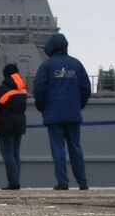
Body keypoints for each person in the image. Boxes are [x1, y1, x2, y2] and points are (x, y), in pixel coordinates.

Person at [32, 34, 92, 190]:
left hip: (54, 114)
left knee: (58, 148)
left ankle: (63, 182)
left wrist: (42, 107)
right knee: (76, 147)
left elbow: (39, 90)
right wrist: (78, 105)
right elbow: (86, 89)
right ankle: (83, 182)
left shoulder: (46, 66)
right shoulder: (76, 64)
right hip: (72, 113)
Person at [0, 63, 29, 190]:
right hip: (19, 124)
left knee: (7, 155)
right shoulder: (22, 89)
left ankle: (13, 182)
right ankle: (16, 180)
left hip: (5, 125)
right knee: (16, 154)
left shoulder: (2, 90)